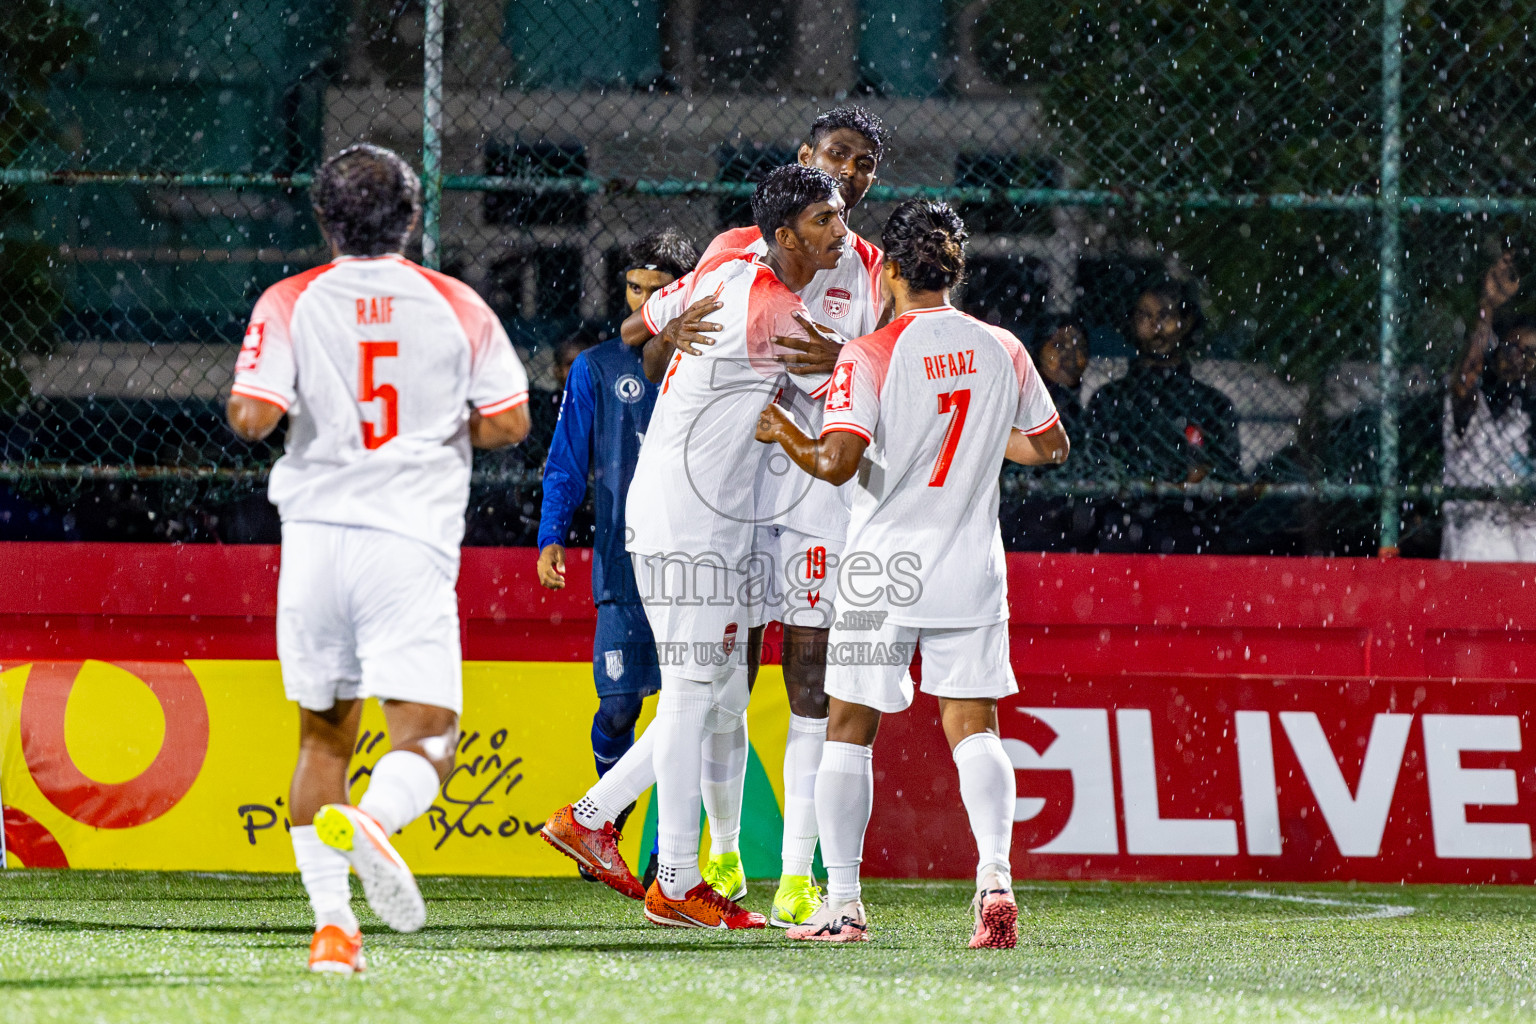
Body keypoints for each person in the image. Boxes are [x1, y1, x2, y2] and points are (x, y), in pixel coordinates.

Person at [226, 144, 531, 974]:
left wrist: (303, 404)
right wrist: (434, 429)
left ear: (324, 219)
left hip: (316, 539)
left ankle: (333, 931)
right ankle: (376, 822)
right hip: (406, 540)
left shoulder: (290, 299)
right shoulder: (456, 303)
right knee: (429, 737)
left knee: (322, 741)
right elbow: (508, 422)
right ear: (412, 218)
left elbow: (254, 415)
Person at [540, 164, 848, 930]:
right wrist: (851, 359)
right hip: (698, 526)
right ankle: (638, 854)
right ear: (785, 236)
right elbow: (856, 386)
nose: (841, 232)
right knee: (695, 698)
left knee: (701, 695)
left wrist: (669, 327)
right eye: (825, 222)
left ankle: (631, 846)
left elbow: (644, 320)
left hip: (672, 511)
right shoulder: (774, 306)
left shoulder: (725, 267)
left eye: (841, 219)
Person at [754, 199, 1067, 947]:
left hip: (883, 570)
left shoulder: (868, 353)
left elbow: (837, 463)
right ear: (955, 269)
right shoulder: (1001, 347)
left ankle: (845, 904)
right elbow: (1050, 447)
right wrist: (984, 439)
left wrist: (783, 432)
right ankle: (995, 879)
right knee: (975, 727)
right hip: (970, 565)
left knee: (848, 730)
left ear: (889, 270)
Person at [633, 105, 888, 926]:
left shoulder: (869, 265)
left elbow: (870, 371)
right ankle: (720, 847)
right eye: (838, 157)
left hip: (814, 487)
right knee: (722, 683)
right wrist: (672, 342)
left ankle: (799, 870)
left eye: (865, 164)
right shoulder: (734, 251)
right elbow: (649, 343)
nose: (851, 173)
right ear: (805, 157)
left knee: (810, 677)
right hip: (730, 490)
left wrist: (846, 358)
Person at [535, 230, 698, 886]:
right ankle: (607, 820)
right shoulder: (599, 367)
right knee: (622, 706)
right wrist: (553, 533)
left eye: (660, 292)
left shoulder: (716, 362)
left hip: (700, 561)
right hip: (624, 562)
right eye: (636, 289)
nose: (646, 301)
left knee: (693, 709)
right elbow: (568, 460)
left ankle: (675, 853)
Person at [1081, 277, 1239, 553]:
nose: (1155, 326)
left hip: (1190, 526)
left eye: (1165, 315)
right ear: (1131, 322)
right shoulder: (1109, 400)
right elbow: (1095, 465)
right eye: (1145, 316)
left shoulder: (1211, 403)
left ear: (1186, 322)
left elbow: (1228, 475)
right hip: (1123, 526)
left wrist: (1201, 480)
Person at [1443, 252, 1536, 560]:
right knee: (1489, 544)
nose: (1519, 358)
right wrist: (1488, 306)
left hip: (1527, 540)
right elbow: (1467, 377)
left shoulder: (1529, 417)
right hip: (1478, 536)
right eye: (1512, 348)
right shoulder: (1475, 406)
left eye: (1530, 353)